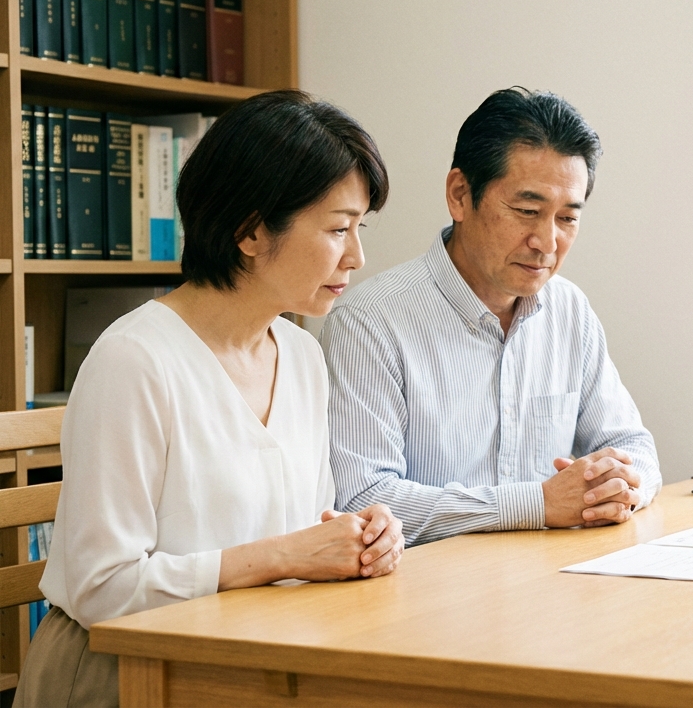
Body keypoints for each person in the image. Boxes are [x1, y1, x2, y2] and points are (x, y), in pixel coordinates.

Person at [15, 90, 403, 707]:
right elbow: (101, 590)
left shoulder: (302, 355)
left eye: (359, 228)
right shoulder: (134, 361)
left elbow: (308, 531)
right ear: (250, 230)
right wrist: (283, 556)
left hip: (250, 655)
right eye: (337, 229)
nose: (357, 256)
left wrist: (358, 539)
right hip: (127, 671)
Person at [324, 87, 661, 545]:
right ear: (460, 195)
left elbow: (634, 448)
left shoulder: (569, 310)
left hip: (549, 574)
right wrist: (537, 504)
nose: (547, 242)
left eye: (567, 218)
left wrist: (619, 487)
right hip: (429, 585)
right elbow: (363, 497)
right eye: (527, 211)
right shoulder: (369, 322)